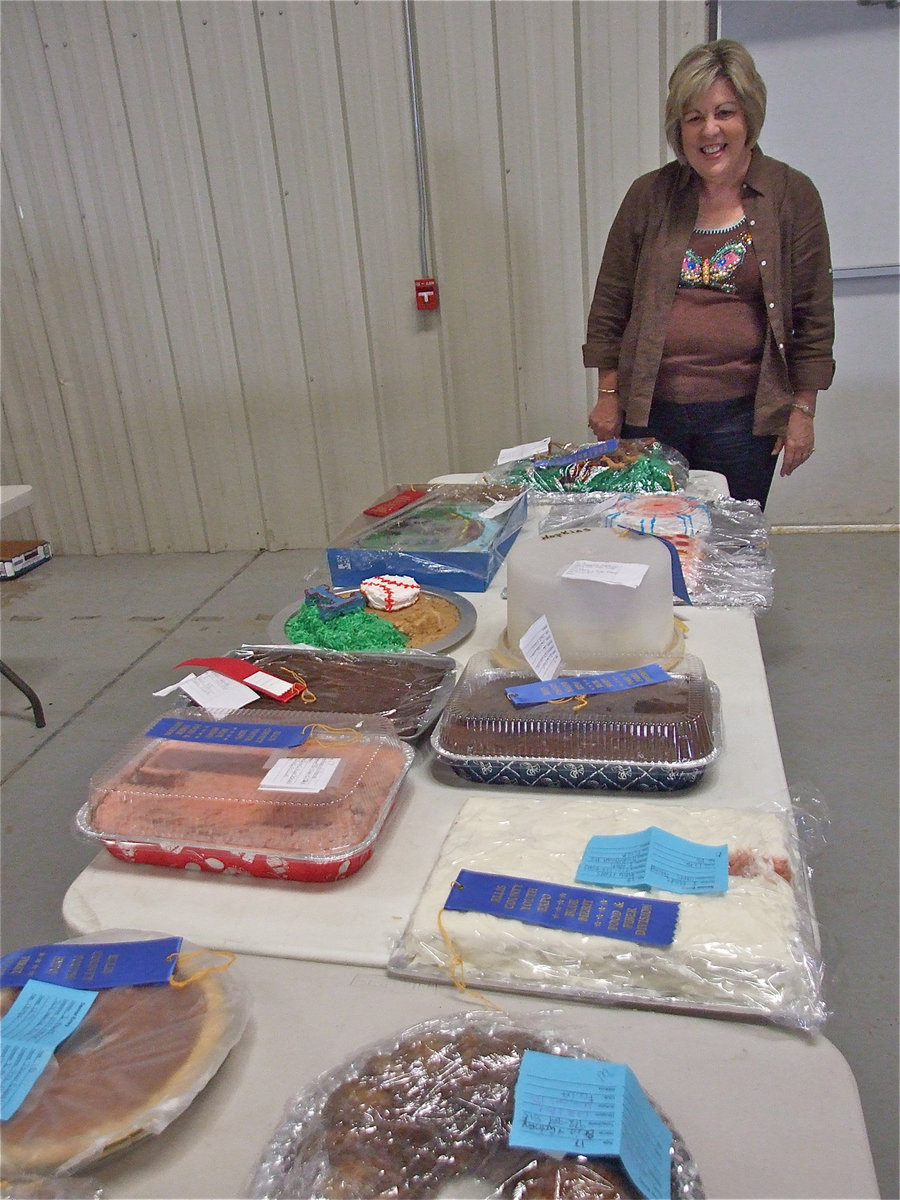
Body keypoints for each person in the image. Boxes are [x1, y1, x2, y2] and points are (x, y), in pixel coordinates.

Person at [583, 39, 834, 506]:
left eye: (725, 112)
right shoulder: (649, 195)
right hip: (650, 411)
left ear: (749, 118)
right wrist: (608, 392)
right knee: (651, 538)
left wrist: (803, 408)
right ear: (679, 128)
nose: (709, 130)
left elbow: (813, 314)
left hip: (744, 420)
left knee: (729, 547)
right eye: (694, 117)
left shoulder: (792, 195)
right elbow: (611, 303)